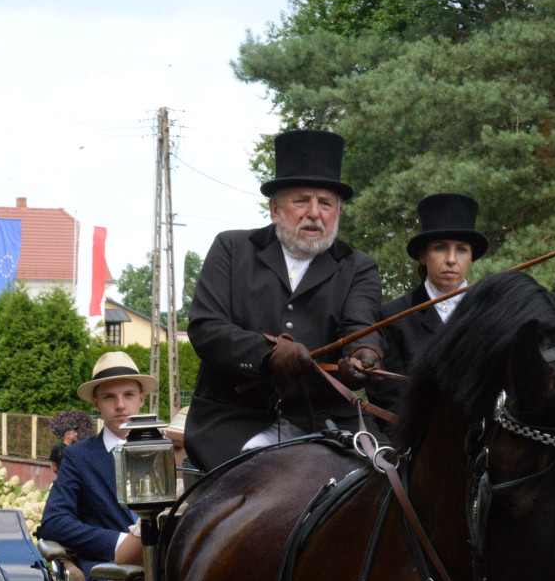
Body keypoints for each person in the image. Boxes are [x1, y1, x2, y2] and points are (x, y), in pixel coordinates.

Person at [184, 129, 385, 471]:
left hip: (326, 422)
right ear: (275, 208)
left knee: (387, 484)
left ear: (337, 212)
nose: (314, 213)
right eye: (301, 201)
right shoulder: (231, 249)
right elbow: (206, 328)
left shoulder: (359, 266)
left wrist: (363, 355)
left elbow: (361, 327)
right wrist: (268, 354)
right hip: (234, 421)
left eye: (325, 203)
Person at [38, 351, 158, 581]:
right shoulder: (78, 456)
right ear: (95, 403)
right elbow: (54, 522)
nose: (120, 405)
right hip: (110, 573)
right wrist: (120, 544)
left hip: (169, 567)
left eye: (128, 395)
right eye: (109, 397)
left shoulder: (167, 450)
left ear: (142, 399)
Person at [366, 193, 488, 412]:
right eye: (440, 248)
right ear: (423, 256)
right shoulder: (392, 316)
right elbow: (386, 396)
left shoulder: (490, 313)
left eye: (461, 249)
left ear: (471, 258)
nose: (451, 259)